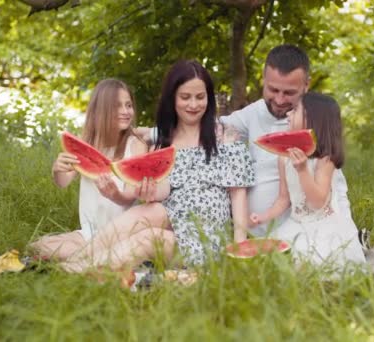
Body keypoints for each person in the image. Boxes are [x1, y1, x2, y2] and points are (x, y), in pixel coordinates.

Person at [60, 60, 254, 273]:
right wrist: (149, 192)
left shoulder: (227, 136)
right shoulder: (163, 143)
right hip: (171, 224)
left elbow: (238, 196)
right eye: (185, 97)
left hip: (205, 238)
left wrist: (239, 248)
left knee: (149, 237)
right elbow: (162, 190)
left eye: (200, 97)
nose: (193, 104)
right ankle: (75, 264)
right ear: (172, 99)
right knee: (151, 210)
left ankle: (72, 270)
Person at [219, 44, 352, 237]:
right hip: (259, 234)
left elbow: (334, 189)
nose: (280, 100)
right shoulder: (252, 113)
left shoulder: (316, 126)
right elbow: (207, 128)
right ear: (264, 80)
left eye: (289, 93)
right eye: (273, 90)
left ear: (306, 85)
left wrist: (346, 231)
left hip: (306, 231)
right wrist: (160, 134)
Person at [29, 79, 148, 261]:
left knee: (53, 251)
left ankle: (95, 258)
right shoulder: (85, 144)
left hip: (120, 232)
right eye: (118, 106)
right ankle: (97, 258)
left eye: (129, 105)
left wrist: (114, 194)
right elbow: (63, 182)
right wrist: (57, 170)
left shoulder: (137, 145)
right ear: (101, 110)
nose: (126, 111)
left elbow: (131, 196)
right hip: (89, 232)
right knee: (37, 245)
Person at [249, 92, 365, 270]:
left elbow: (318, 202)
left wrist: (303, 170)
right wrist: (262, 217)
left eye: (295, 110)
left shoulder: (325, 159)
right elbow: (283, 199)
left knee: (316, 264)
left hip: (325, 227)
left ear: (312, 120)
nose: (288, 113)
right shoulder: (283, 158)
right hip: (296, 224)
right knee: (271, 262)